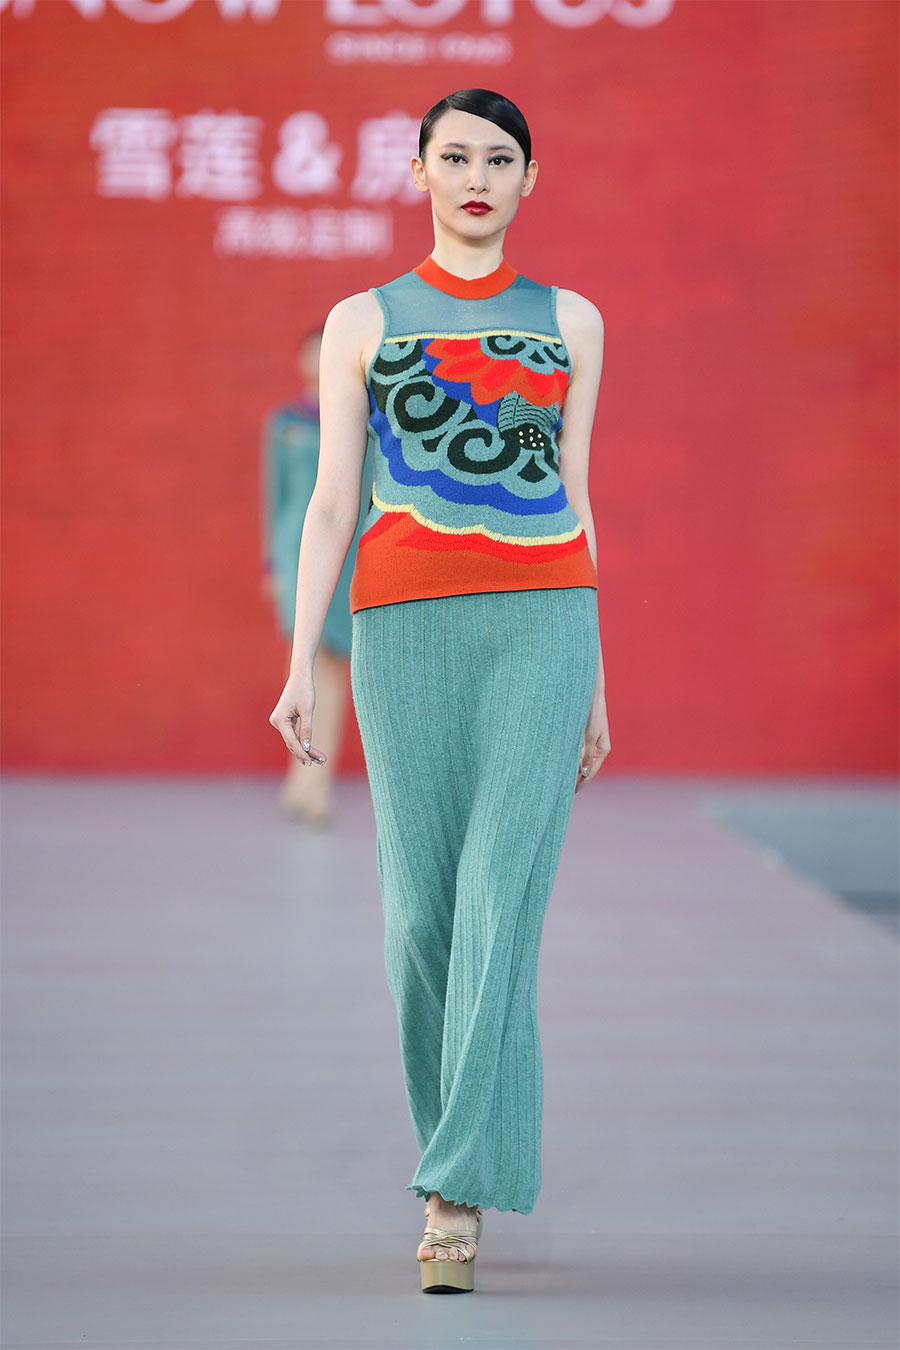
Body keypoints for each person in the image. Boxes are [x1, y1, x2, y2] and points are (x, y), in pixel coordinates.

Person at [269, 88, 611, 1293]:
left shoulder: (572, 319)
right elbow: (330, 502)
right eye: (454, 156)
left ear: (530, 180)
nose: (476, 177)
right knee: (420, 915)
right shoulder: (362, 319)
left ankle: (454, 1189)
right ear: (417, 171)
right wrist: (299, 660)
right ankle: (455, 1146)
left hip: (544, 625)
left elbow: (575, 492)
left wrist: (597, 674)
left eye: (499, 159)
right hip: (401, 626)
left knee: (499, 901)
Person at [260, 326, 372, 824]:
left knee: (331, 665)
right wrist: (272, 563)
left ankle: (313, 782)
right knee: (303, 661)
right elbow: (275, 496)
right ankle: (302, 778)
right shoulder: (285, 422)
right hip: (294, 552)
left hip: (345, 553)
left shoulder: (360, 420)